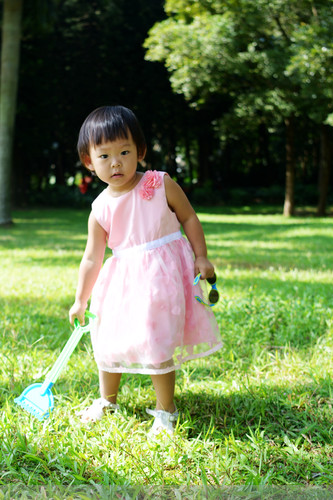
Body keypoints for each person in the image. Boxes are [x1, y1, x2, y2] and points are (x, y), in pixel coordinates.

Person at [69, 105, 223, 436]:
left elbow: (189, 217)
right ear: (89, 162)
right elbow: (92, 258)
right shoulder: (100, 208)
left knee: (157, 341)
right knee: (108, 341)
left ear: (140, 152)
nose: (116, 163)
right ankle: (107, 399)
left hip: (161, 279)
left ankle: (166, 409)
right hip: (122, 284)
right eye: (105, 156)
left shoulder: (159, 183)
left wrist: (202, 256)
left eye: (125, 152)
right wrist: (81, 300)